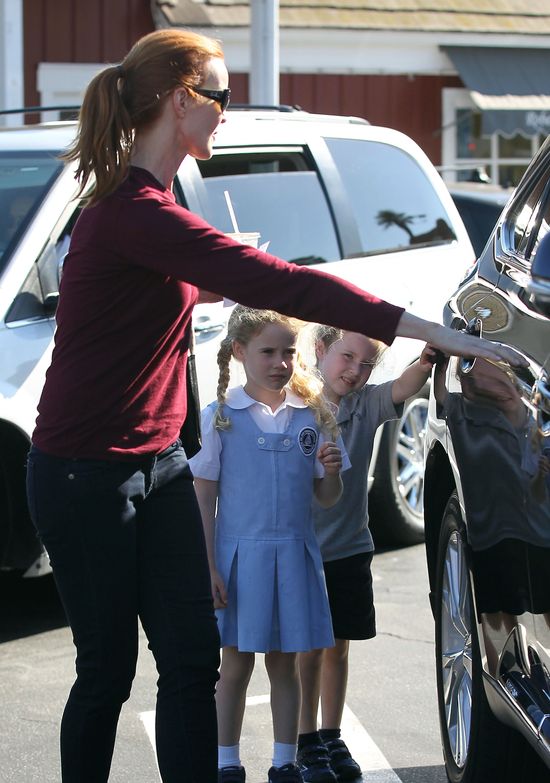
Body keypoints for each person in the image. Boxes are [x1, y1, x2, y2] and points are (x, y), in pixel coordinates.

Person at [25, 26, 526, 783]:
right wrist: (428, 328)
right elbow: (283, 283)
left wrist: (191, 440)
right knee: (106, 672)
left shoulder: (157, 208)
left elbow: (155, 325)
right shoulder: (134, 213)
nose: (228, 110)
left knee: (192, 660)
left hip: (158, 466)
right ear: (179, 100)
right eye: (221, 95)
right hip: (83, 473)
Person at [189, 306, 348, 783]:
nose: (280, 362)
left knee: (285, 666)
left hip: (294, 557)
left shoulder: (313, 413)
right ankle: (226, 762)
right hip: (239, 560)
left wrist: (332, 473)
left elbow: (326, 497)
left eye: (288, 352)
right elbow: (203, 498)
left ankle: (284, 762)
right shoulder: (220, 416)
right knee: (235, 666)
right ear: (239, 352)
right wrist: (209, 567)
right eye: (268, 352)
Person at [295, 328, 438, 782]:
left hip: (351, 547)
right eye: (347, 357)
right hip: (304, 553)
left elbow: (403, 388)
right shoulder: (297, 407)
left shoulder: (365, 403)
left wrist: (425, 363)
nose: (355, 371)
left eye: (367, 364)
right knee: (308, 651)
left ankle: (331, 734)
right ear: (320, 349)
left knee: (338, 647)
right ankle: (305, 740)